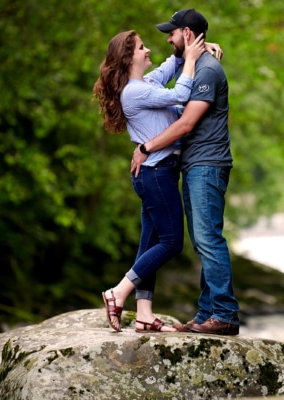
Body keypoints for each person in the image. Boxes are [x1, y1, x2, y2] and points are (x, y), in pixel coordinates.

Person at [94, 29, 222, 333]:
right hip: (157, 173)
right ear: (128, 58)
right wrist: (192, 59)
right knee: (171, 242)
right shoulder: (134, 91)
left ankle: (144, 314)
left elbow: (173, 64)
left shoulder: (146, 82)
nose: (148, 50)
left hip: (154, 173)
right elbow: (180, 94)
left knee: (150, 243)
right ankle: (118, 292)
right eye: (141, 48)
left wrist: (195, 49)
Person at [131, 9, 240, 335]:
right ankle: (208, 312)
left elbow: (186, 123)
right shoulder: (195, 63)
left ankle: (224, 314)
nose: (167, 39)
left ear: (187, 34)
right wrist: (206, 46)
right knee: (202, 240)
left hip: (208, 164)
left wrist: (145, 148)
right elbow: (173, 67)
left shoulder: (207, 71)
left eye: (172, 33)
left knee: (208, 239)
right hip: (195, 165)